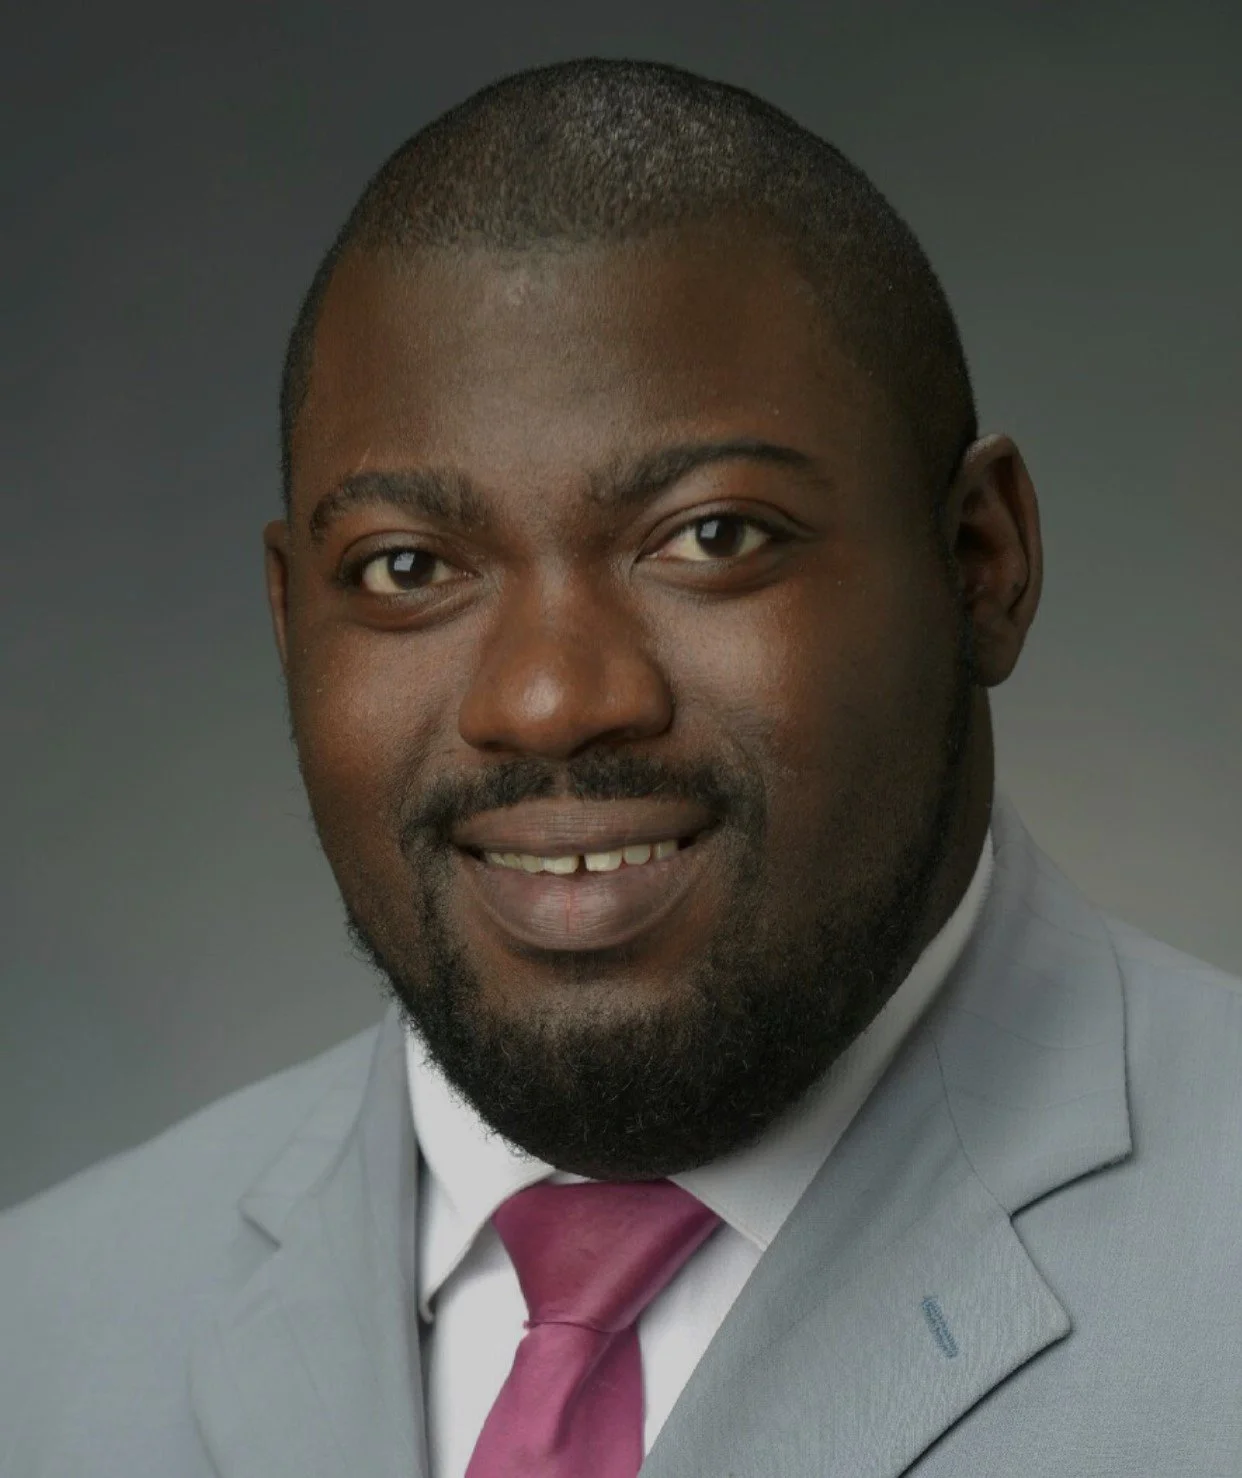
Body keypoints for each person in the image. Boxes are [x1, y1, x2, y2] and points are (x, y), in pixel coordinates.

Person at [3, 56, 1239, 1478]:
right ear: (292, 624)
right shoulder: (33, 1333)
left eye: (711, 536)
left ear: (980, 563)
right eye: (405, 566)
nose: (547, 698)